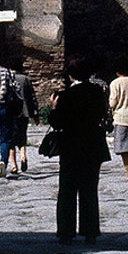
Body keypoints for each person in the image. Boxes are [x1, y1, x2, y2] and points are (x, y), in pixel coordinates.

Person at [49, 61, 110, 244]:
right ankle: (90, 231)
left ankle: (66, 232)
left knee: (67, 190)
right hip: (93, 146)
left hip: (72, 147)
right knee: (89, 191)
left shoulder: (67, 95)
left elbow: (57, 122)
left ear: (71, 76)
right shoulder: (97, 92)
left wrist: (53, 107)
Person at [8, 61, 39, 175]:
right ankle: (23, 155)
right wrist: (35, 114)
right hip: (24, 112)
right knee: (22, 135)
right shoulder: (25, 79)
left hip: (11, 112)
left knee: (10, 139)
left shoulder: (8, 79)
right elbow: (32, 97)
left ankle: (14, 165)